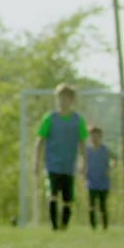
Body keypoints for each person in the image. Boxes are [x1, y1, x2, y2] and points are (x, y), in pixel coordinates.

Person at [34, 83, 88, 231]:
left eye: (65, 98)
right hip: (52, 164)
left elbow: (82, 143)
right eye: (59, 98)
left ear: (72, 100)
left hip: (68, 165)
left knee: (67, 198)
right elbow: (40, 140)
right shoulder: (50, 118)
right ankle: (54, 226)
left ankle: (64, 225)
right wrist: (36, 162)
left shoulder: (78, 120)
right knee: (52, 194)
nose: (62, 101)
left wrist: (84, 162)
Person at [85, 126, 114, 230]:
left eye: (96, 136)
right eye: (92, 136)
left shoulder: (105, 150)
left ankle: (105, 226)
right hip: (91, 181)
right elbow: (83, 162)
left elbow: (114, 160)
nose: (94, 138)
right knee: (91, 204)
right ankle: (93, 226)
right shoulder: (87, 150)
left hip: (103, 182)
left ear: (100, 137)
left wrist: (110, 167)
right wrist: (83, 170)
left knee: (103, 205)